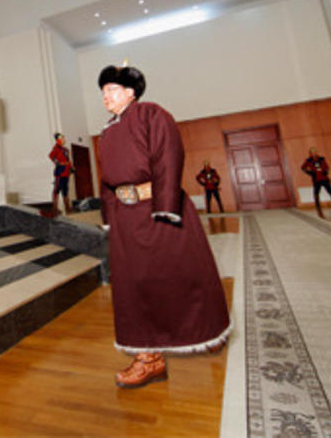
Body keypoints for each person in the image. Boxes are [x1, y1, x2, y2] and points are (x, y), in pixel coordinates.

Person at [97, 64, 231, 389]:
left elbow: (168, 158)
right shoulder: (108, 132)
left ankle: (203, 331)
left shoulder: (152, 115)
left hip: (156, 210)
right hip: (126, 218)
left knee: (179, 277)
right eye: (102, 92)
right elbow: (107, 181)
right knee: (134, 288)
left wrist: (166, 209)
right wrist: (110, 217)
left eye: (112, 89)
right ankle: (149, 358)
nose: (105, 97)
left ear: (131, 92)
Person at [302, 147, 331, 213]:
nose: (313, 153)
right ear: (310, 153)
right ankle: (318, 206)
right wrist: (310, 173)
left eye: (314, 152)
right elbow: (303, 167)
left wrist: (326, 172)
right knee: (316, 193)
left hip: (324, 178)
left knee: (330, 191)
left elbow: (327, 167)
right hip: (316, 179)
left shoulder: (321, 159)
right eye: (312, 152)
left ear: (316, 152)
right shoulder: (308, 160)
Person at [48, 133, 74, 216]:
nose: (63, 139)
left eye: (63, 138)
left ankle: (67, 207)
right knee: (56, 190)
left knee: (65, 190)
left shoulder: (66, 150)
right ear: (57, 140)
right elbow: (51, 156)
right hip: (60, 172)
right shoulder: (56, 148)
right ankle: (55, 209)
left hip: (66, 172)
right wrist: (57, 163)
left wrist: (71, 167)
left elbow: (68, 160)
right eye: (61, 138)